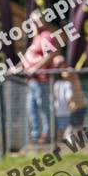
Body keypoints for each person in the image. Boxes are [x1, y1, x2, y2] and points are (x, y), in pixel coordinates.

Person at [18, 13, 59, 144]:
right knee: (32, 107)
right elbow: (28, 57)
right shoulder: (36, 38)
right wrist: (17, 67)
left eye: (36, 21)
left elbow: (50, 55)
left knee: (44, 107)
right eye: (32, 22)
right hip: (32, 81)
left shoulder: (47, 36)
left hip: (42, 80)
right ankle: (35, 134)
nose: (33, 24)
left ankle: (48, 134)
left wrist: (35, 68)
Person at [53, 56, 73, 138]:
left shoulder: (55, 84)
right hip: (63, 111)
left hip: (59, 111)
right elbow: (69, 97)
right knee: (64, 129)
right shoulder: (66, 84)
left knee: (62, 129)